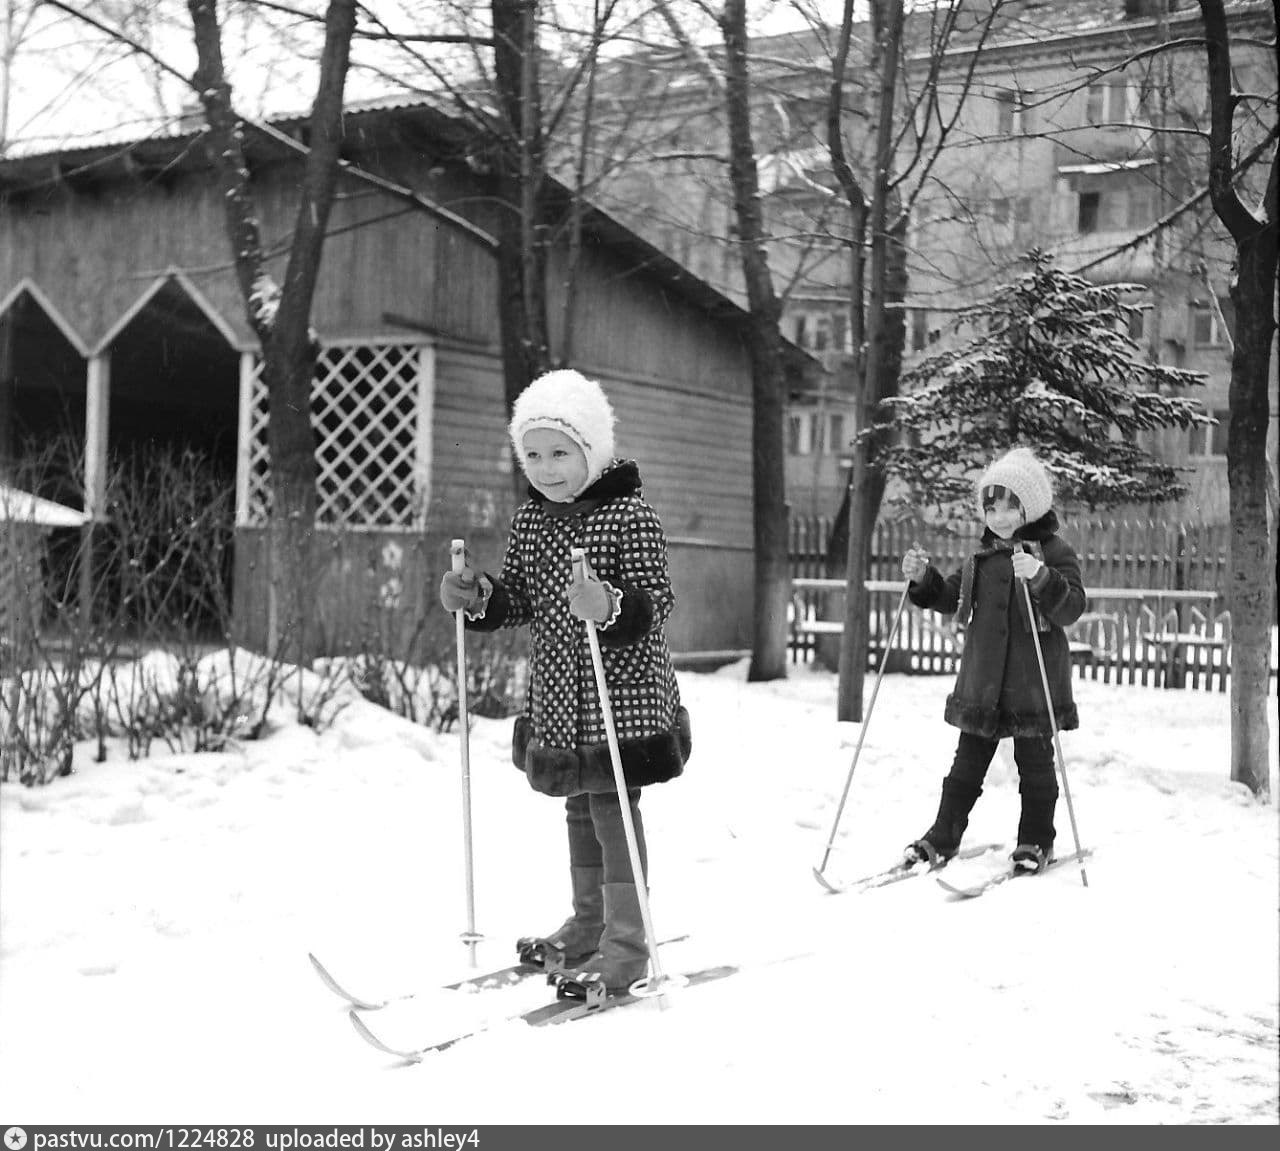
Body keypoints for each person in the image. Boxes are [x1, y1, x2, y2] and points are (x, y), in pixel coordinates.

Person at [438, 368, 690, 994]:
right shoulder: (532, 521)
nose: (546, 468)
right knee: (580, 803)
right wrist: (480, 597)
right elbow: (520, 599)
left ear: (593, 451)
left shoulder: (630, 515)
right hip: (559, 688)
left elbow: (657, 599)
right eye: (532, 454)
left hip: (620, 690)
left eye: (560, 453)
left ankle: (627, 945)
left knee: (611, 805)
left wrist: (608, 605)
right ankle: (588, 923)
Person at [900, 446, 1086, 872]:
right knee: (965, 766)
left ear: (1031, 507)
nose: (999, 517)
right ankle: (941, 837)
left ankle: (1036, 841)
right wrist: (922, 579)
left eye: (1010, 507)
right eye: (991, 507)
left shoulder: (1053, 552)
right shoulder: (981, 557)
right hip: (984, 684)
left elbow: (1071, 607)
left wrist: (1040, 576)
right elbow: (952, 596)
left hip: (1033, 684)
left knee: (1035, 768)